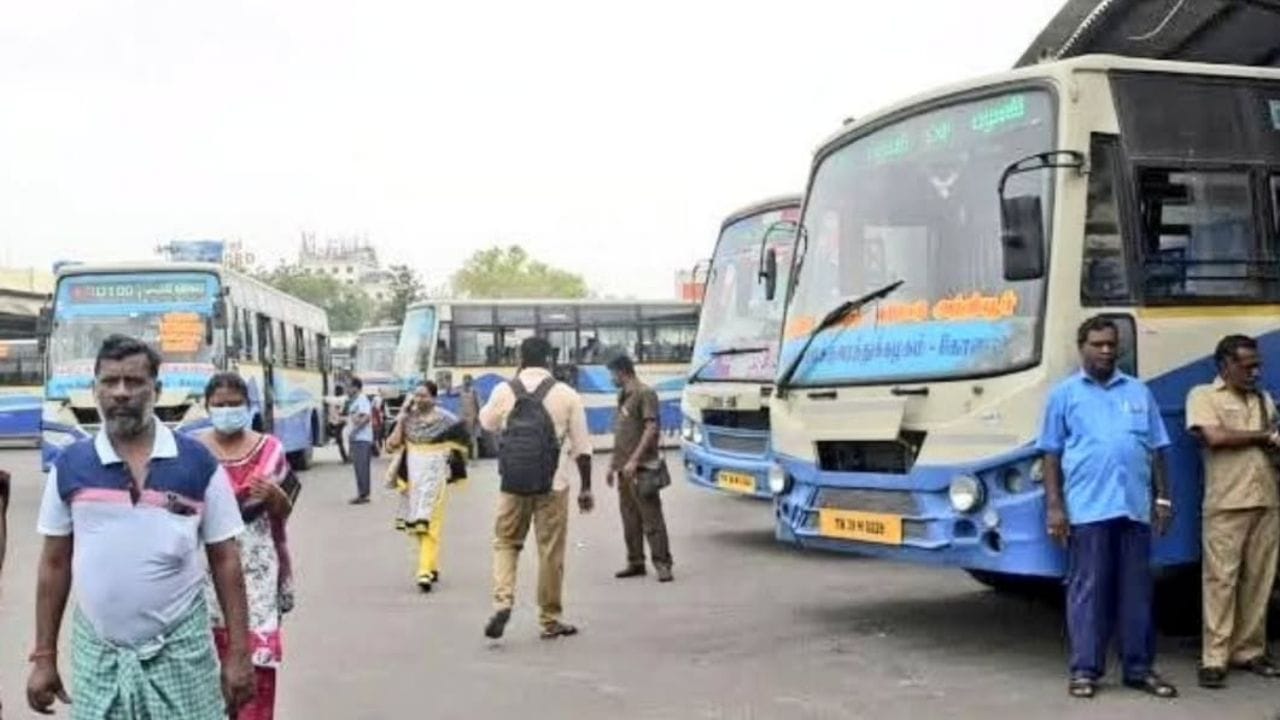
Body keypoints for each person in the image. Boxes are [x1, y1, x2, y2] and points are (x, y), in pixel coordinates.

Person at [27, 334, 254, 718]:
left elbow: (226, 561)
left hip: (182, 654)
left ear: (157, 390)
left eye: (134, 382)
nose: (120, 392)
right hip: (99, 657)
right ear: (94, 390)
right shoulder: (70, 465)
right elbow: (53, 564)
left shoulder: (197, 462)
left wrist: (238, 653)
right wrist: (44, 656)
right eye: (110, 382)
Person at [1036, 316, 1177, 700]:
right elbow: (1050, 454)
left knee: (1137, 593)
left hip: (1134, 507)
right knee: (1088, 592)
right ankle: (1085, 670)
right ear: (1081, 347)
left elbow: (1158, 448)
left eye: (1111, 344)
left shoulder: (1137, 392)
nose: (1106, 351)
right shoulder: (1064, 395)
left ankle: (1139, 668)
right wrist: (1054, 507)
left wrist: (1162, 498)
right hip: (1087, 510)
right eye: (1097, 344)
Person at [479, 337, 594, 641]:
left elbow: (487, 423)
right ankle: (549, 619)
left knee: (506, 542)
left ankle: (503, 602)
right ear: (550, 360)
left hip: (513, 484)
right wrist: (587, 488)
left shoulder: (504, 390)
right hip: (553, 485)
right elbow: (583, 448)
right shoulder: (567, 394)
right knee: (550, 553)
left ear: (520, 358)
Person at [197, 372, 297, 720]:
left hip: (257, 570)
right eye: (219, 404)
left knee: (255, 666)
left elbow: (284, 511)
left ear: (248, 406)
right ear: (206, 407)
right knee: (207, 663)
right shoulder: (192, 452)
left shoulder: (270, 449)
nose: (227, 410)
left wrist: (275, 497)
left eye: (235, 404)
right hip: (203, 571)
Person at [1186, 334, 1280, 688]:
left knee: (1259, 581)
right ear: (1225, 366)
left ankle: (1250, 650)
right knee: (1220, 582)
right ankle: (1215, 657)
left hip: (1266, 500)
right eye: (1247, 366)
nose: (1254, 372)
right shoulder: (1203, 396)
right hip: (1226, 503)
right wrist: (1265, 437)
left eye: (1257, 365)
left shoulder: (1263, 399)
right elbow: (1216, 438)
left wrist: (1273, 445)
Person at [385, 382, 470, 592]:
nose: (419, 399)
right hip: (413, 478)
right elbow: (392, 445)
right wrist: (402, 417)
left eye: (424, 396)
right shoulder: (408, 420)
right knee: (419, 523)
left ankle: (423, 571)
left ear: (434, 398)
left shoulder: (446, 420)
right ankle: (431, 565)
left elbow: (463, 442)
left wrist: (455, 465)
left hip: (435, 477)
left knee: (430, 522)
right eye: (417, 395)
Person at [606, 355, 674, 582]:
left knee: (651, 518)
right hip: (624, 471)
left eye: (612, 374)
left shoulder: (645, 393)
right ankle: (635, 562)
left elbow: (651, 428)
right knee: (630, 519)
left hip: (642, 468)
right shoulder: (623, 396)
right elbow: (622, 435)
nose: (611, 379)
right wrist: (612, 466)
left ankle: (663, 564)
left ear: (621, 371)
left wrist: (634, 460)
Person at [347, 378, 374, 505]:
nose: (347, 389)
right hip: (358, 438)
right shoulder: (356, 400)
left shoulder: (362, 399)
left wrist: (355, 432)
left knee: (361, 467)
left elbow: (366, 417)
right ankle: (363, 493)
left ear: (355, 387)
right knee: (359, 467)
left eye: (349, 386)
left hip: (362, 439)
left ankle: (363, 495)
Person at [459, 374, 481, 459]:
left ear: (471, 381)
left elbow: (479, 403)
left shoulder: (475, 391)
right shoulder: (460, 391)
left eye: (468, 379)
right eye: (465, 379)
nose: (466, 381)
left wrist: (478, 416)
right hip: (463, 418)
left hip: (473, 418)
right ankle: (465, 457)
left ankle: (474, 457)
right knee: (464, 438)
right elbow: (450, 393)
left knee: (473, 438)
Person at [327, 384, 349, 463]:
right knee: (341, 440)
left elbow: (327, 400)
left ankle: (346, 458)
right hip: (343, 421)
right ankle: (347, 458)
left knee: (340, 440)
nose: (335, 392)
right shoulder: (345, 398)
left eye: (336, 391)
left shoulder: (336, 400)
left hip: (339, 422)